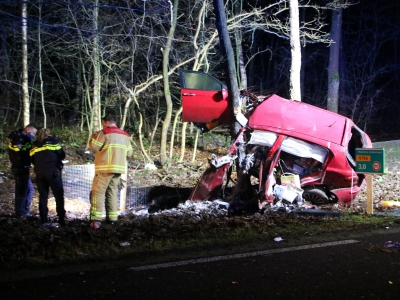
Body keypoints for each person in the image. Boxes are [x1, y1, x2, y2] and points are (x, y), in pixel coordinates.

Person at [89, 114, 133, 229]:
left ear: (105, 122)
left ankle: (96, 220)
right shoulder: (125, 135)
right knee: (112, 193)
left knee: (97, 193)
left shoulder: (104, 133)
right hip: (118, 170)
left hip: (104, 169)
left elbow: (94, 147)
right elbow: (129, 153)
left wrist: (93, 136)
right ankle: (112, 219)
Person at [30, 128, 66, 225]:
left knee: (43, 196)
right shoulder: (53, 142)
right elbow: (62, 155)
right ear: (49, 134)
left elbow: (32, 159)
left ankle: (43, 219)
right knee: (58, 195)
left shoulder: (34, 145)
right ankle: (61, 219)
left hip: (40, 173)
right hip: (53, 173)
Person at [8, 124, 38, 217]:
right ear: (28, 130)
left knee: (29, 190)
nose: (33, 135)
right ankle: (20, 213)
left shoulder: (24, 138)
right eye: (33, 133)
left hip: (23, 167)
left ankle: (24, 211)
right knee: (22, 191)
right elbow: (19, 155)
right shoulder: (18, 139)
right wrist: (25, 163)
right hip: (20, 168)